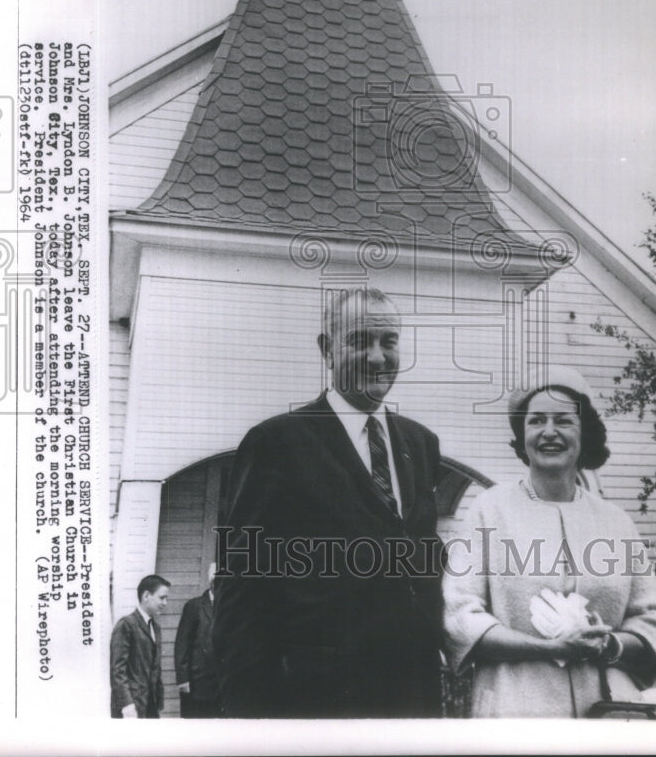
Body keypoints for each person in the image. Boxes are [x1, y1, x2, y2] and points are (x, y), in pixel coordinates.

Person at [212, 287, 444, 718]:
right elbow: (240, 588)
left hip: (412, 697)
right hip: (313, 702)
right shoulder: (278, 441)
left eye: (388, 342)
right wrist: (249, 718)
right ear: (327, 349)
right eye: (359, 340)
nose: (377, 357)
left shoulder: (420, 443)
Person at [443, 366, 656, 718]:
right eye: (536, 421)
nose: (549, 432)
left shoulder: (616, 522)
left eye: (563, 420)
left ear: (585, 433)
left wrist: (607, 645)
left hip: (610, 713)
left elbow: (650, 621)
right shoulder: (490, 510)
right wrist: (543, 647)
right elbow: (459, 615)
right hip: (516, 710)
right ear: (522, 434)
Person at [110, 574, 170, 718]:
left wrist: (158, 700)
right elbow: (118, 670)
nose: (165, 603)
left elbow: (155, 666)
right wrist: (126, 705)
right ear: (146, 595)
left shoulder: (155, 627)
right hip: (131, 707)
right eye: (162, 598)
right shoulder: (126, 625)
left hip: (150, 704)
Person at [174, 562, 223, 718]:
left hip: (221, 685)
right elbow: (182, 644)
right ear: (212, 582)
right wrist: (183, 680)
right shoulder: (194, 606)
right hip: (198, 684)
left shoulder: (228, 608)